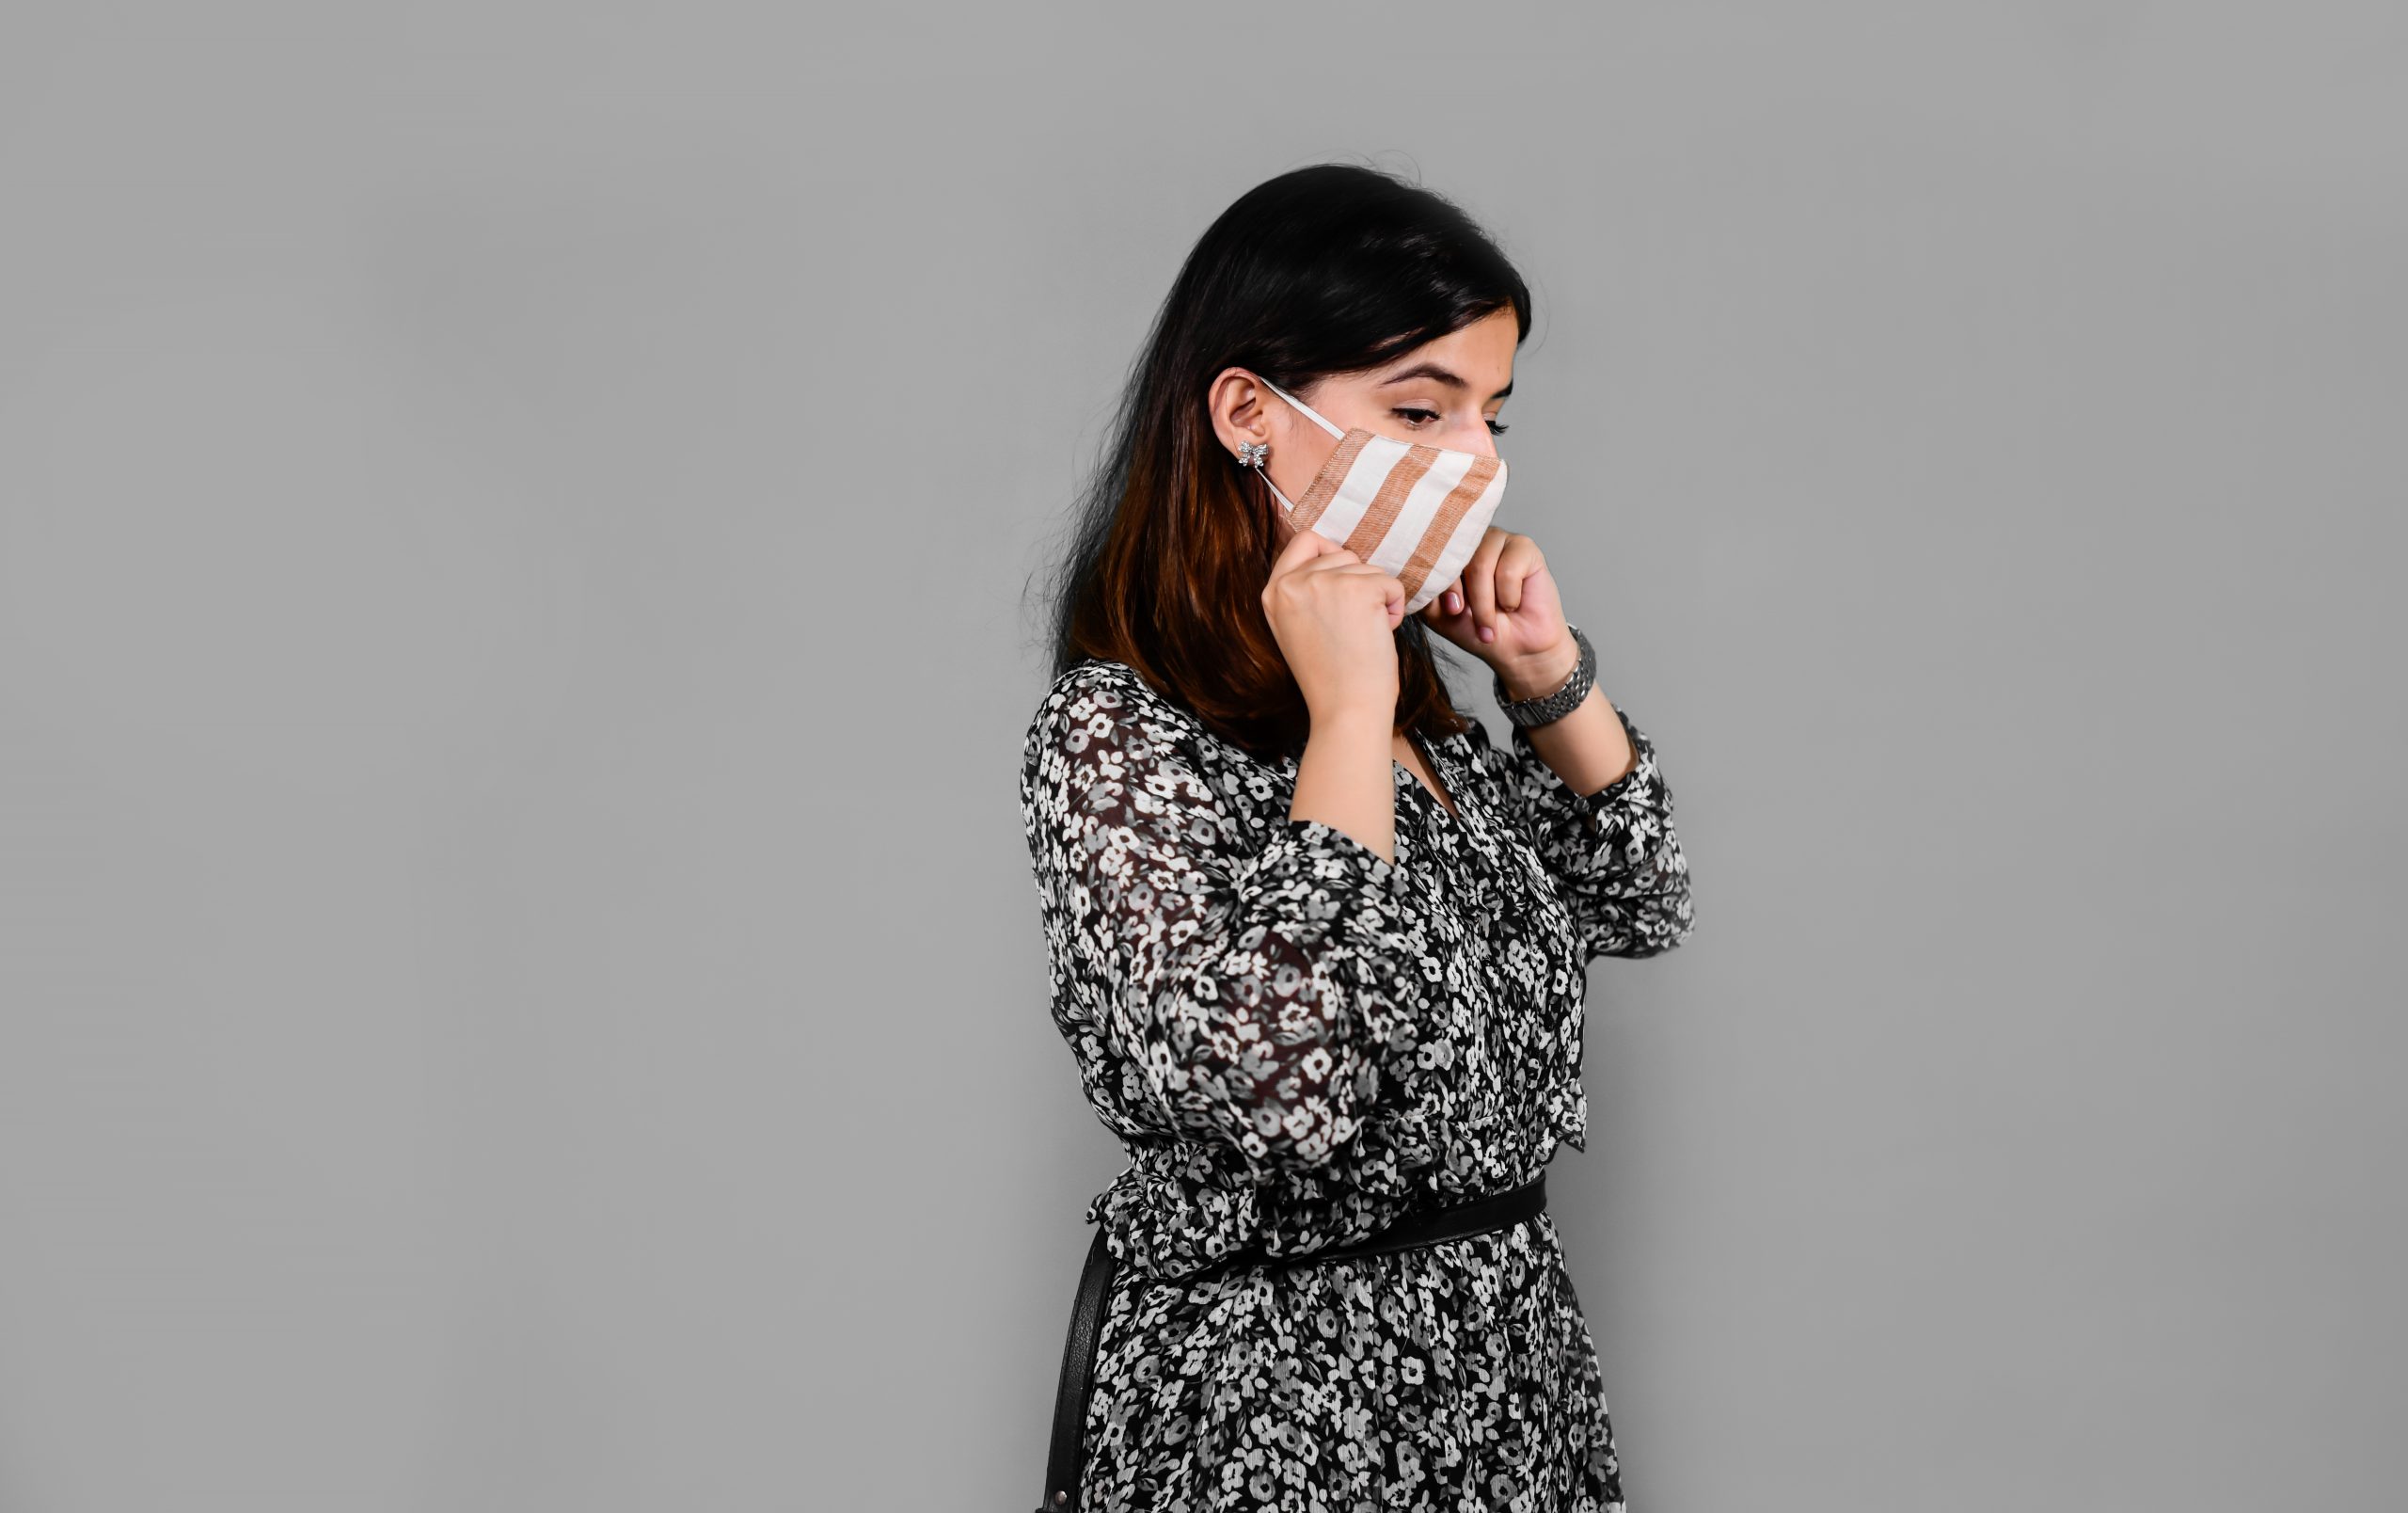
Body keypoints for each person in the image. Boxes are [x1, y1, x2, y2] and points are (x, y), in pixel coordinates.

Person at [1018, 162, 1697, 1513]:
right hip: (1277, 1407)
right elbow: (1285, 1090)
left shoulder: (1418, 708)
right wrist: (1341, 719)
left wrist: (1543, 675)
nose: (1475, 463)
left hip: (1505, 1378)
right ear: (1248, 414)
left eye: (1489, 416)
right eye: (1417, 409)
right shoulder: (1120, 732)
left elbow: (1639, 898)